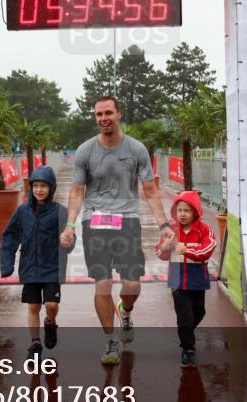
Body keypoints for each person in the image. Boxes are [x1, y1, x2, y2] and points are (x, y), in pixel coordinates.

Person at [60, 96, 176, 365]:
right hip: (94, 222)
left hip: (127, 221)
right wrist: (70, 225)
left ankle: (125, 309)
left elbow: (150, 190)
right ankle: (110, 340)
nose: (103, 118)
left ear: (119, 114)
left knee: (132, 284)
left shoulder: (136, 149)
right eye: (99, 114)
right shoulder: (85, 150)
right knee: (102, 283)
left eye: (108, 113)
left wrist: (164, 226)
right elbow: (77, 191)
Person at [1, 165, 75, 359]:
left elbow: (70, 238)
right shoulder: (22, 211)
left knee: (51, 305)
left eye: (44, 186)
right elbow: (10, 236)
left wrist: (67, 242)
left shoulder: (60, 212)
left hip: (53, 267)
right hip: (30, 267)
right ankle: (35, 343)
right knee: (33, 306)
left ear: (51, 188)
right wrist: (7, 265)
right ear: (31, 187)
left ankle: (50, 322)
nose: (39, 190)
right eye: (35, 186)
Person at [156, 191, 217, 367]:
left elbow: (207, 250)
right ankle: (188, 349)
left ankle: (185, 332)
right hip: (177, 282)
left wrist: (186, 250)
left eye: (187, 210)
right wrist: (165, 247)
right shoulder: (171, 230)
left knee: (199, 312)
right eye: (179, 210)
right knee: (185, 317)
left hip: (198, 281)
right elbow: (160, 253)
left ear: (196, 211)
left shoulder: (204, 230)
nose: (182, 214)